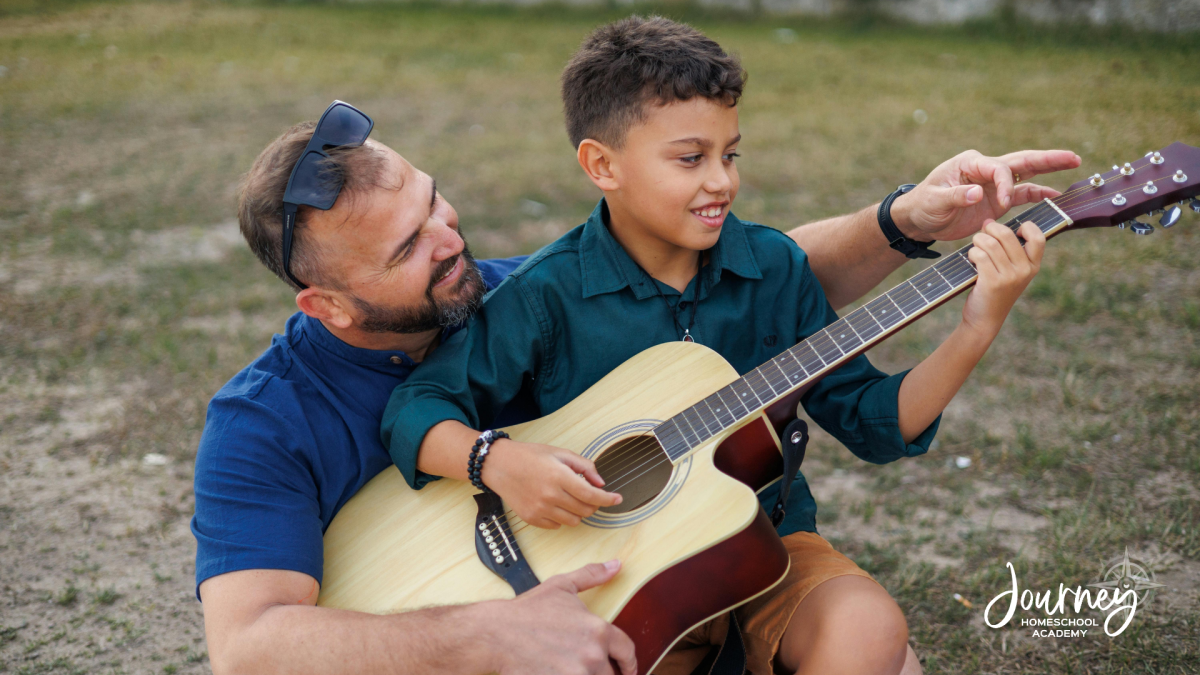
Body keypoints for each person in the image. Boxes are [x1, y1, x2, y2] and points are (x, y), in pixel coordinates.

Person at [193, 37, 1079, 675]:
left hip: (693, 564)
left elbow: (761, 285)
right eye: (407, 247)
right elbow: (249, 647)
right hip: (508, 625)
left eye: (435, 203)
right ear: (327, 303)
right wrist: (483, 629)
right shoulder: (264, 420)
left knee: (873, 645)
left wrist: (906, 224)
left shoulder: (505, 289)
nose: (449, 236)